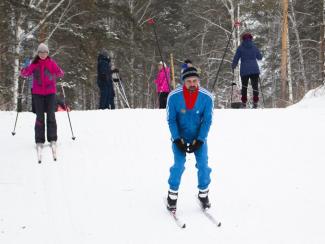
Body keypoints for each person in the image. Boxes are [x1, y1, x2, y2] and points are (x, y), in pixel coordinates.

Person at [166, 66, 214, 211]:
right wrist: (176, 139)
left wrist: (200, 139)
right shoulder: (174, 96)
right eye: (189, 81)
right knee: (179, 165)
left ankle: (203, 194)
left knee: (204, 165)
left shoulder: (207, 97)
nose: (192, 84)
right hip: (179, 137)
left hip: (198, 137)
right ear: (183, 82)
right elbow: (171, 120)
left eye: (195, 81)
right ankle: (172, 196)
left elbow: (207, 120)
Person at [20, 43, 64, 146]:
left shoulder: (51, 63)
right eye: (41, 52)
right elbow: (27, 72)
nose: (43, 54)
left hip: (50, 93)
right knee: (39, 116)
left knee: (51, 115)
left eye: (45, 52)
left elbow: (59, 72)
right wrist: (23, 71)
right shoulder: (34, 64)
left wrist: (60, 73)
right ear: (38, 53)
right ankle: (39, 139)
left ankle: (52, 138)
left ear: (47, 53)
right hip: (38, 93)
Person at [232, 32, 262, 108]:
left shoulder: (240, 48)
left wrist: (233, 65)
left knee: (244, 87)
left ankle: (244, 103)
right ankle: (255, 102)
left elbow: (236, 58)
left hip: (244, 70)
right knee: (255, 86)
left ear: (243, 39)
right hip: (254, 69)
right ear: (251, 38)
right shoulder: (254, 47)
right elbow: (259, 57)